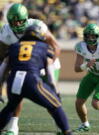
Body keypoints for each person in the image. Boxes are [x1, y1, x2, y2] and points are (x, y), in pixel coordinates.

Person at [0, 3, 61, 135]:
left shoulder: (37, 26)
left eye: (20, 21)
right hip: (24, 65)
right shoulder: (5, 31)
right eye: (13, 21)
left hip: (46, 64)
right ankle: (13, 126)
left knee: (51, 95)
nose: (16, 24)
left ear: (26, 19)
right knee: (16, 94)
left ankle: (60, 126)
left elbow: (56, 47)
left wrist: (47, 65)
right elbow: (3, 56)